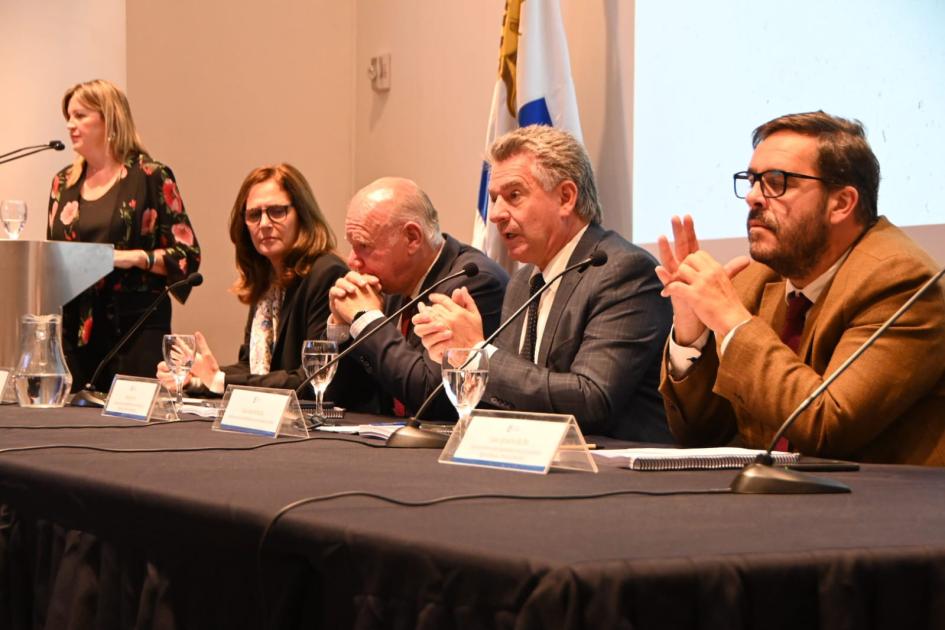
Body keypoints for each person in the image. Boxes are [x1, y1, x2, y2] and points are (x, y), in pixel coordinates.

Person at [656, 111, 945, 466]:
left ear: (842, 203)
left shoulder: (902, 283)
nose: (753, 197)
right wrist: (692, 333)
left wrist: (732, 322)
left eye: (777, 182)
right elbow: (700, 434)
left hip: (884, 496)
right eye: (752, 180)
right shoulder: (758, 278)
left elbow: (828, 427)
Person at [413, 126, 673, 441]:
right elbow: (511, 397)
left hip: (617, 463)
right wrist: (457, 357)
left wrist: (478, 353)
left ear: (566, 198)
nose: (496, 214)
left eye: (514, 195)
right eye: (494, 199)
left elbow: (591, 400)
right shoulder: (523, 281)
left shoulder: (623, 271)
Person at [48, 79, 200, 392]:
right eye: (68, 116)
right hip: (77, 330)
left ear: (109, 119)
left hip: (135, 329)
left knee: (129, 419)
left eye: (80, 116)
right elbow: (53, 257)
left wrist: (134, 258)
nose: (70, 125)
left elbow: (187, 256)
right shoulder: (63, 183)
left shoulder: (150, 176)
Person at [157, 163, 346, 394]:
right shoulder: (267, 280)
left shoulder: (326, 274)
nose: (264, 224)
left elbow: (312, 378)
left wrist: (218, 380)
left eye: (277, 211)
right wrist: (196, 377)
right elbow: (251, 367)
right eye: (254, 215)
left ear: (302, 215)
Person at [328, 177, 508, 419]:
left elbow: (430, 397)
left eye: (364, 246)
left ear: (412, 238)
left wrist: (367, 319)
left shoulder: (472, 282)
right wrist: (341, 328)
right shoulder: (392, 282)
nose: (352, 261)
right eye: (352, 246)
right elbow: (340, 397)